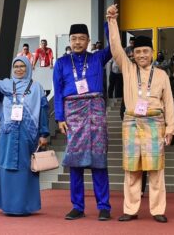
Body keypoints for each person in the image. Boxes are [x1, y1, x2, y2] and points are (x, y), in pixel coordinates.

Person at [107, 4, 174, 223]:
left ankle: (158, 210)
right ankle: (130, 208)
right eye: (137, 52)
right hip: (132, 123)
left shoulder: (163, 75)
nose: (141, 55)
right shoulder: (127, 69)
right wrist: (112, 20)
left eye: (145, 51)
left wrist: (171, 129)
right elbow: (116, 47)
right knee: (132, 169)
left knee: (156, 170)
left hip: (156, 123)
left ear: (152, 53)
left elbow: (169, 103)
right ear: (133, 54)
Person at [0, 55, 50, 215]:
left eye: (22, 66)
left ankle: (24, 206)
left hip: (28, 135)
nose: (19, 69)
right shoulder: (5, 86)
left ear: (29, 68)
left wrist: (44, 133)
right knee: (7, 166)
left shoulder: (37, 88)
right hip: (8, 133)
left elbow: (43, 111)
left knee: (25, 168)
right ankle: (8, 206)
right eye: (16, 67)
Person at [53, 23, 112, 221]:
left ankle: (104, 206)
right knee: (75, 162)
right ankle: (77, 206)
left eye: (81, 38)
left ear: (88, 40)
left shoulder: (97, 57)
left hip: (95, 110)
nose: (77, 42)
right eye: (74, 38)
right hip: (73, 113)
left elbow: (113, 47)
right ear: (69, 41)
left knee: (99, 161)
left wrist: (109, 23)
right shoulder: (61, 63)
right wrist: (60, 117)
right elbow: (58, 90)